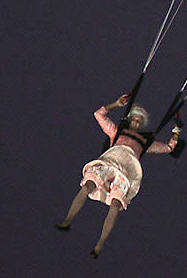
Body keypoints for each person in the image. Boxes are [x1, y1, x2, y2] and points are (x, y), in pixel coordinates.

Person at [55, 94, 180, 258]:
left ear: (141, 124)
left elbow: (169, 147)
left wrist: (177, 131)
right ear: (129, 120)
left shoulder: (144, 142)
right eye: (133, 119)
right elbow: (98, 115)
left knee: (115, 205)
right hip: (109, 163)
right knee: (88, 185)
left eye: (138, 121)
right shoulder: (117, 132)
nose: (135, 122)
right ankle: (68, 221)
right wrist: (116, 104)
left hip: (127, 172)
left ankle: (100, 244)